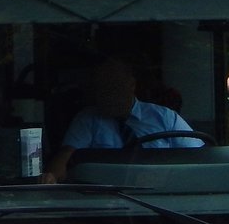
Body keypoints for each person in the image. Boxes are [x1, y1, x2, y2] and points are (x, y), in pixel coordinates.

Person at [43, 58, 203, 183]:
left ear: (131, 85)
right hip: (106, 202)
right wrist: (52, 177)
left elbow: (199, 158)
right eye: (101, 88)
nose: (106, 94)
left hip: (160, 199)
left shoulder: (165, 118)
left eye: (113, 87)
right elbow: (65, 156)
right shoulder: (88, 119)